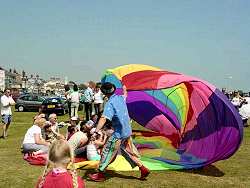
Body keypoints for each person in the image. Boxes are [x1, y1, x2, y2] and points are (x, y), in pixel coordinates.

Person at [88, 82, 150, 182]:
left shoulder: (110, 103)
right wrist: (124, 85)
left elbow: (103, 118)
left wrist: (96, 131)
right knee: (127, 152)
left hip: (118, 133)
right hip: (127, 131)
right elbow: (125, 94)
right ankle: (143, 168)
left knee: (107, 152)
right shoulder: (120, 98)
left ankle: (100, 174)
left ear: (104, 93)